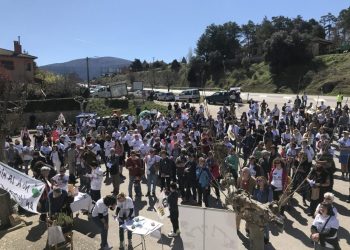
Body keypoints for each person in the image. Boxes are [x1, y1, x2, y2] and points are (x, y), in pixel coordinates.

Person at [252, 176, 273, 244]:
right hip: (257, 208)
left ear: (264, 181)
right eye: (257, 181)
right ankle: (258, 236)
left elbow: (270, 201)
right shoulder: (256, 188)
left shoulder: (268, 189)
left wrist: (264, 206)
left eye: (260, 180)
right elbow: (254, 198)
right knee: (257, 223)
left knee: (265, 224)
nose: (259, 182)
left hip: (265, 209)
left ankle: (266, 238)